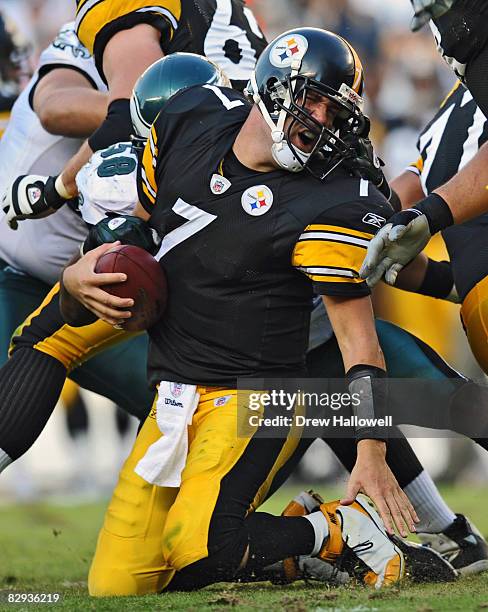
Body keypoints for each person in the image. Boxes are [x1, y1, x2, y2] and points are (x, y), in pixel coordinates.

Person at [1, 43, 482, 576]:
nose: (322, 123)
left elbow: (363, 334)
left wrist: (372, 452)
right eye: (314, 103)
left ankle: (350, 531)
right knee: (121, 581)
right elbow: (137, 221)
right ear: (271, 90)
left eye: (335, 112)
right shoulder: (189, 116)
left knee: (204, 539)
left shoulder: (332, 194)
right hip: (181, 375)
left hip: (261, 389)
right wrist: (76, 271)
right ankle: (293, 556)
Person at [1, 0, 267, 228]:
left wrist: (56, 189)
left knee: (107, 255)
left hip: (201, 190)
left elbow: (129, 114)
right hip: (254, 193)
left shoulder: (133, 14)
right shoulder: (226, 14)